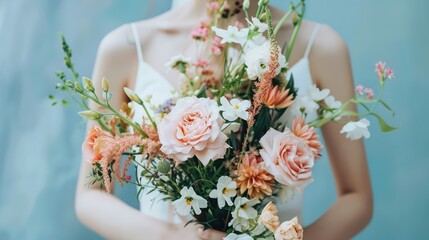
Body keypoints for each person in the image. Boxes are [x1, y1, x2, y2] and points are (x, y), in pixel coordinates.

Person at [75, 0, 373, 239]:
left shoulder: (320, 46)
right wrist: (172, 237)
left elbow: (356, 197)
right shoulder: (126, 47)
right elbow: (90, 197)